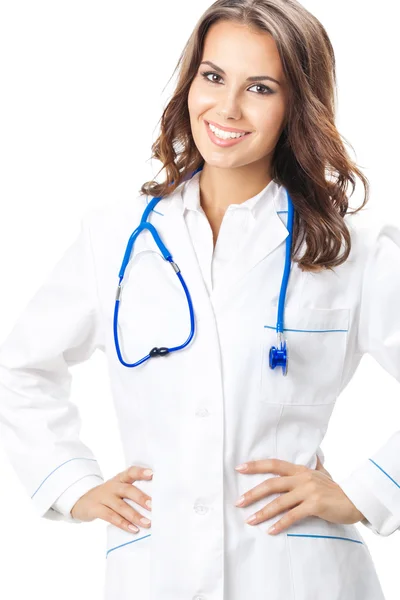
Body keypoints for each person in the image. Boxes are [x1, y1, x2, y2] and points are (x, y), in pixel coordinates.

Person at [0, 1, 398, 598]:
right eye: (212, 77)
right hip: (156, 566)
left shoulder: (350, 250)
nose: (227, 108)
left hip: (299, 573)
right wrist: (70, 483)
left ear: (298, 105)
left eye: (260, 87)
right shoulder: (115, 237)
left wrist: (368, 492)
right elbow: (21, 367)